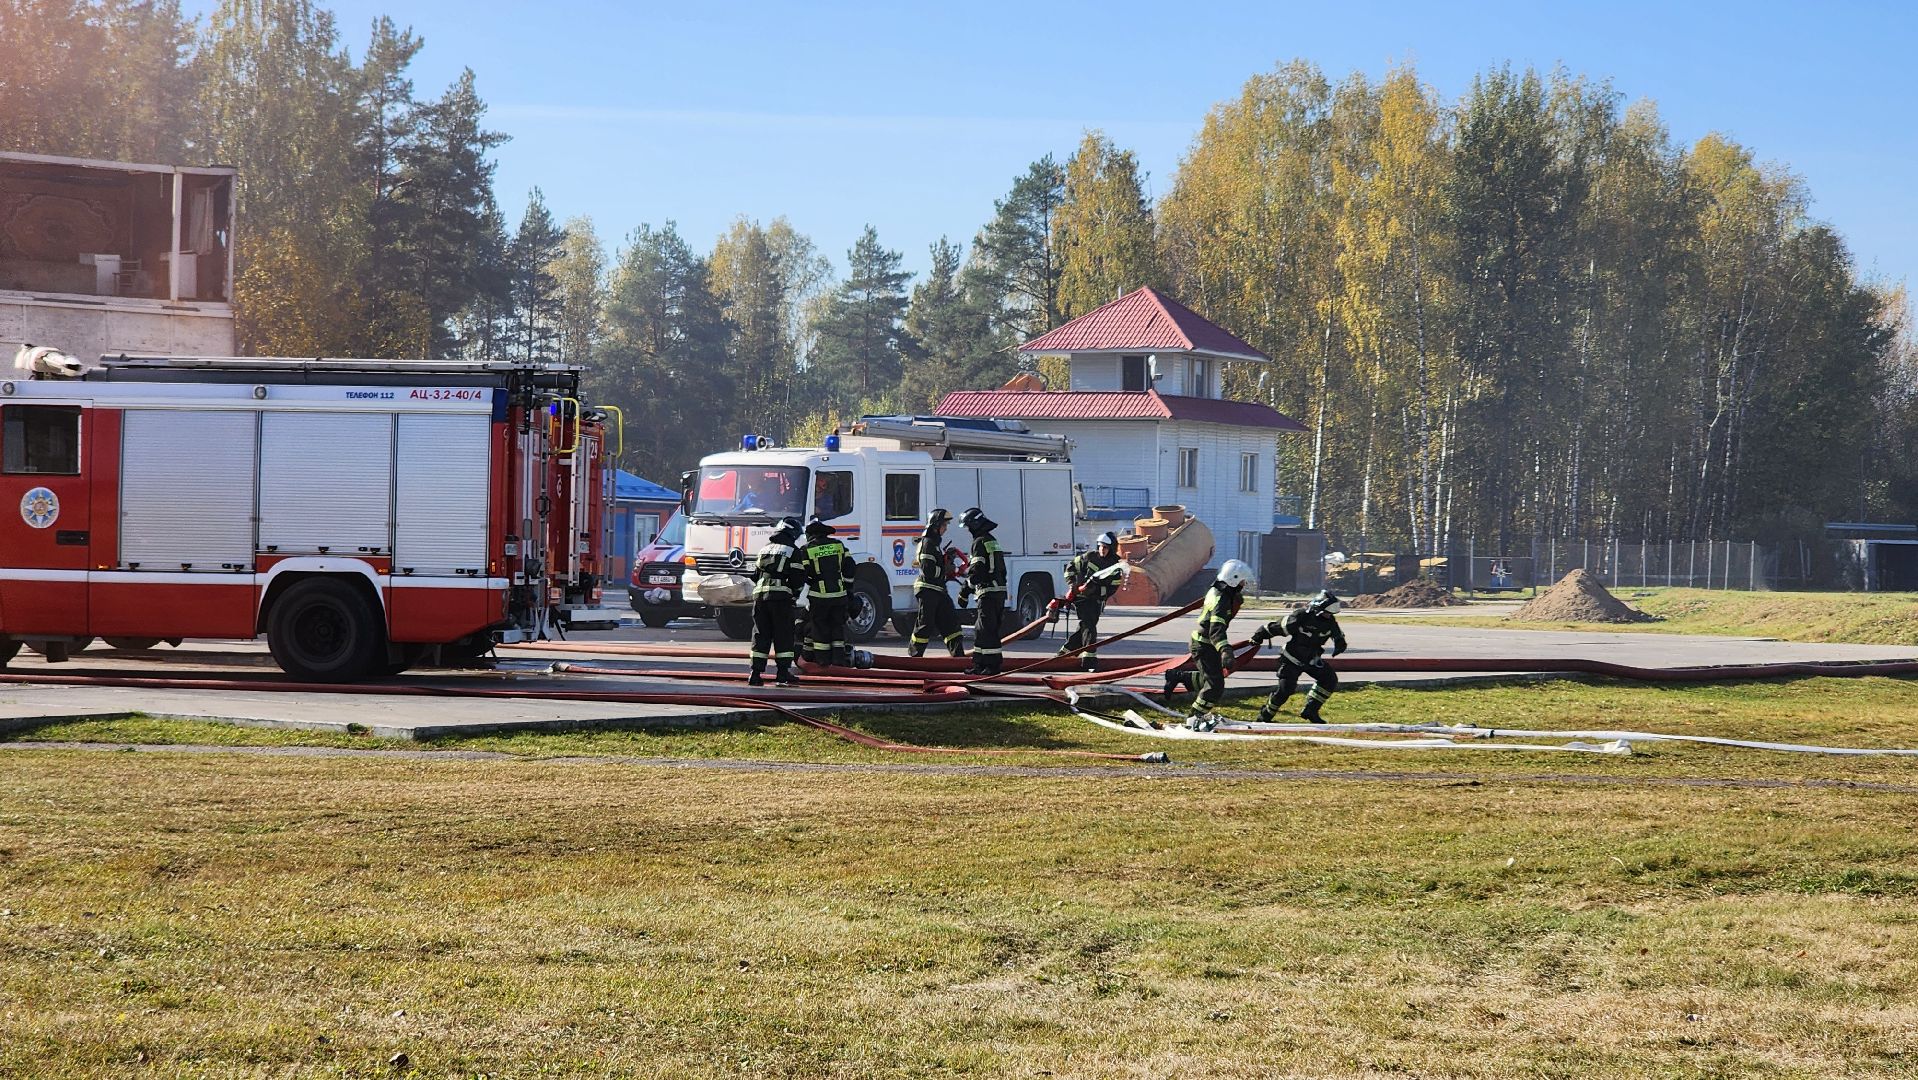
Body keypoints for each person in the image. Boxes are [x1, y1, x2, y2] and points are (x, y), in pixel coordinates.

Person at [1248, 590, 1347, 724]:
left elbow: (1338, 635)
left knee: (1329, 679)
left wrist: (1340, 644)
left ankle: (1311, 710)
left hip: (1312, 660)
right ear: (1318, 608)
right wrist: (1258, 636)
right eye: (1327, 612)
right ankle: (1264, 717)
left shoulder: (1330, 621)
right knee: (1285, 690)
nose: (1329, 616)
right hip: (1291, 659)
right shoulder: (1301, 617)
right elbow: (1277, 627)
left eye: (1331, 613)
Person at [1180, 559, 1254, 730]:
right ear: (1233, 580)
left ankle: (1179, 677)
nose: (1244, 584)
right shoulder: (1221, 600)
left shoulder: (1220, 591)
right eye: (1242, 581)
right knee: (1215, 686)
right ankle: (1194, 718)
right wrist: (1225, 650)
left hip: (1205, 643)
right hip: (1203, 644)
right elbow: (1216, 630)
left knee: (1213, 678)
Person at [747, 517, 807, 686]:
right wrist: (794, 595)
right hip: (781, 599)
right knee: (783, 634)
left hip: (760, 598)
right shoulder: (793, 551)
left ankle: (755, 674)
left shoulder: (764, 549)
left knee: (760, 634)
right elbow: (798, 578)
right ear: (792, 533)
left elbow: (755, 576)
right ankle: (782, 673)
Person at [1058, 532, 1124, 671]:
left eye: (1105, 547)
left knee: (1085, 626)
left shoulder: (1115, 566)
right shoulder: (1089, 557)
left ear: (1111, 548)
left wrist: (1095, 590)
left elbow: (1113, 588)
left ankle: (1065, 652)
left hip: (1096, 600)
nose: (1102, 550)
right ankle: (1089, 660)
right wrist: (1072, 584)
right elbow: (1070, 567)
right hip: (1081, 599)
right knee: (1089, 625)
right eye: (1100, 546)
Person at [958, 508, 1008, 675]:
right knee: (983, 630)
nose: (968, 530)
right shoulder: (991, 540)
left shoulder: (979, 542)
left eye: (968, 526)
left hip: (988, 593)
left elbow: (977, 572)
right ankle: (980, 664)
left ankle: (991, 666)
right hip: (997, 592)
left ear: (975, 524)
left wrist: (964, 592)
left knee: (986, 631)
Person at [909, 509, 964, 658]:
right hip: (927, 590)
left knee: (951, 623)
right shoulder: (927, 543)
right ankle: (914, 658)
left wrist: (946, 560)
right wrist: (946, 569)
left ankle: (959, 657)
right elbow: (929, 571)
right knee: (925, 625)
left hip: (939, 590)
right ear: (936, 525)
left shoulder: (935, 544)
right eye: (944, 525)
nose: (946, 528)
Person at [798, 518, 853, 667]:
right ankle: (838, 660)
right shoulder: (838, 545)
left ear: (811, 534)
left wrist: (812, 581)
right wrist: (848, 588)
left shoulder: (807, 549)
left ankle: (822, 661)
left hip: (819, 596)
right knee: (837, 626)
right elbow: (850, 568)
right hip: (839, 595)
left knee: (820, 628)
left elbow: (803, 573)